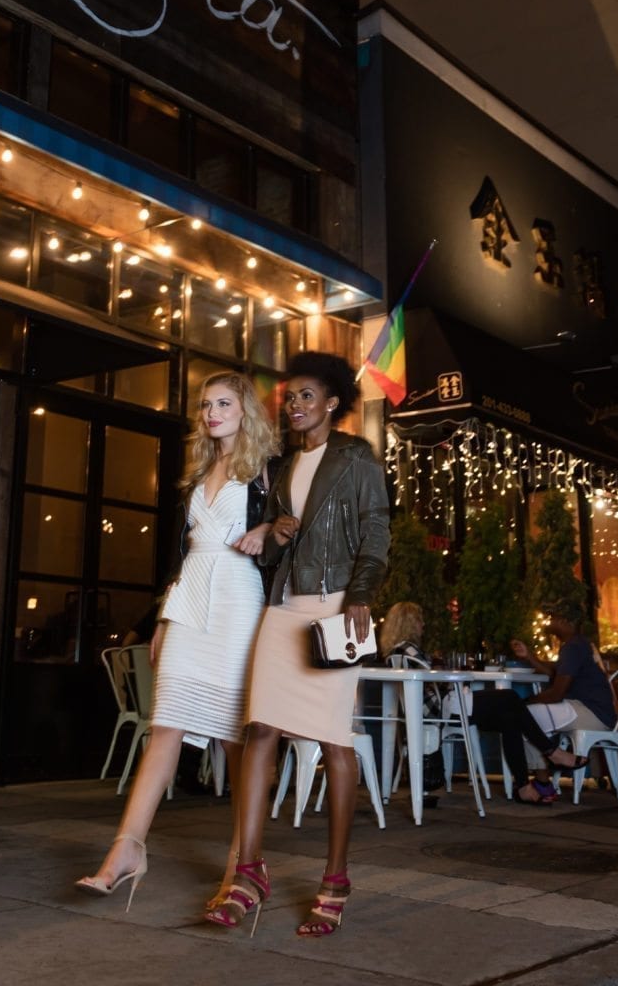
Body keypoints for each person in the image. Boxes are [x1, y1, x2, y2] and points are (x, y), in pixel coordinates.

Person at [76, 371, 282, 908]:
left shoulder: (267, 471)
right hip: (190, 595)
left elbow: (298, 525)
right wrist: (162, 622)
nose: (211, 413)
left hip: (240, 601)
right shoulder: (196, 474)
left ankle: (244, 866)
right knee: (164, 725)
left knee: (238, 739)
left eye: (223, 404)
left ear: (245, 411)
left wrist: (267, 531)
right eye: (206, 405)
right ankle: (126, 850)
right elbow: (178, 561)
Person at [208, 352, 389, 938]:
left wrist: (361, 593)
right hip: (284, 605)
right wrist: (277, 532)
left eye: (307, 396)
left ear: (332, 402)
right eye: (291, 397)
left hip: (336, 608)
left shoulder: (355, 456)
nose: (295, 405)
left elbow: (376, 530)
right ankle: (249, 869)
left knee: (335, 743)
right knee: (260, 728)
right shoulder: (282, 467)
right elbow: (288, 537)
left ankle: (335, 878)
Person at [470, 608, 618, 804]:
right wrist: (529, 656)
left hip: (593, 712)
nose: (549, 621)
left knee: (525, 716)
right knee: (524, 716)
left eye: (553, 618)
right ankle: (546, 771)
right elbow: (554, 673)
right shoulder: (577, 644)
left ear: (566, 620)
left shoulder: (573, 647)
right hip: (595, 710)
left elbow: (556, 693)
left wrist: (523, 704)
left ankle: (541, 782)